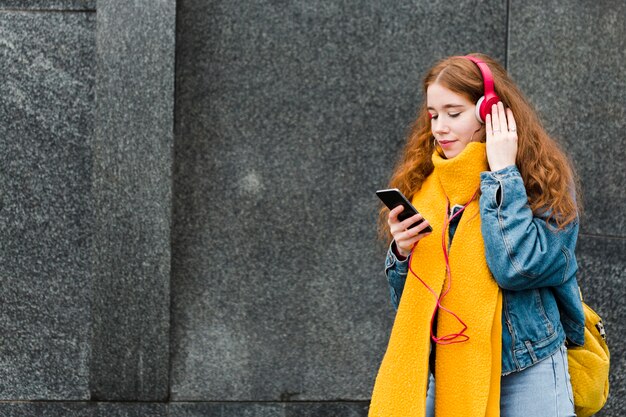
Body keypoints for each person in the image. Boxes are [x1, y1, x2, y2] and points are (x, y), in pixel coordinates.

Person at [369, 54, 585, 417]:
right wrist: (403, 253)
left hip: (527, 369)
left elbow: (518, 267)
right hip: (451, 369)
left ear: (490, 111)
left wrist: (503, 176)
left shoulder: (541, 182)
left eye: (454, 113)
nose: (439, 127)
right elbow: (410, 304)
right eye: (433, 115)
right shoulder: (427, 186)